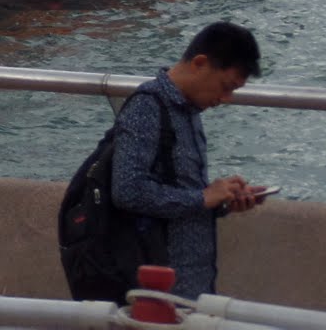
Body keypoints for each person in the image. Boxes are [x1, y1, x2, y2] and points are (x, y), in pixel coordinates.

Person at [110, 21, 268, 296]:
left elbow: (179, 191)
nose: (225, 98)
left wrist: (223, 201)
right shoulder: (147, 106)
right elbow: (127, 189)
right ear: (199, 63)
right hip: (158, 284)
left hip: (192, 281)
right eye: (225, 86)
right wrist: (203, 197)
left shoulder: (190, 111)